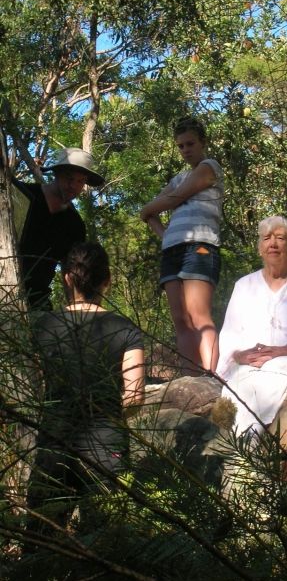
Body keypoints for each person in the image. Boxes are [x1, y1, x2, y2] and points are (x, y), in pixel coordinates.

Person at [28, 242, 145, 530]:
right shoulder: (126, 329)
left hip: (54, 442)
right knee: (106, 539)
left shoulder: (43, 326)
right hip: (107, 446)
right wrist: (109, 415)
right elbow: (135, 396)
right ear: (107, 279)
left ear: (67, 278)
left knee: (42, 539)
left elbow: (39, 383)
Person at [217, 216, 287, 436]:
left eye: (280, 238)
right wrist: (240, 355)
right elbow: (229, 333)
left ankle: (255, 448)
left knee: (275, 374)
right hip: (248, 365)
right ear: (260, 248)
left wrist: (282, 350)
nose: (273, 244)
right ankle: (244, 454)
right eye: (266, 238)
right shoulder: (244, 285)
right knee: (241, 387)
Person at [140, 117, 224, 374]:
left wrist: (149, 208)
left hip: (200, 244)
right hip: (172, 249)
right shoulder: (178, 177)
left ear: (203, 143)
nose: (186, 150)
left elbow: (174, 197)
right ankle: (191, 377)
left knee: (199, 315)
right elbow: (150, 212)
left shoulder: (210, 167)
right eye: (180, 146)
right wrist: (164, 234)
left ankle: (210, 377)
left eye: (190, 144)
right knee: (180, 319)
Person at [12, 147, 104, 309]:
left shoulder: (74, 225)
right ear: (56, 174)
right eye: (69, 178)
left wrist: (76, 311)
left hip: (36, 300)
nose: (74, 186)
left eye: (80, 181)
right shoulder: (22, 195)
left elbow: (71, 272)